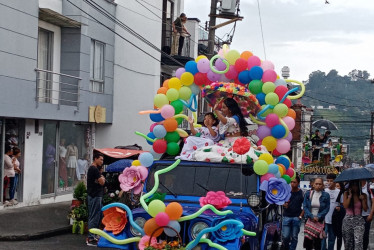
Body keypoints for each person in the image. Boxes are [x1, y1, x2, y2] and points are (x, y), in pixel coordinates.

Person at [303, 177, 330, 250]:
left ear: (323, 185)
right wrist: (311, 216)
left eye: (320, 184)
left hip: (319, 221)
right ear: (313, 185)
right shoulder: (308, 194)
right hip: (309, 220)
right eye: (316, 184)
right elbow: (305, 206)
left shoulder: (326, 195)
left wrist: (318, 216)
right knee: (308, 243)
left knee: (318, 244)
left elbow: (327, 208)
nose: (318, 185)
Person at [86, 152, 105, 247]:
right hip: (95, 195)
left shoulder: (95, 169)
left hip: (96, 195)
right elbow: (102, 182)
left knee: (98, 215)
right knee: (94, 216)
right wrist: (102, 177)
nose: (102, 161)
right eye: (100, 159)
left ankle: (94, 235)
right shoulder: (94, 169)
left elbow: (101, 180)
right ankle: (90, 238)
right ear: (95, 159)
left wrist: (101, 176)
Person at [342, 180, 368, 250]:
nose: (355, 187)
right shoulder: (346, 193)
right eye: (353, 185)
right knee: (348, 242)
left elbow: (365, 209)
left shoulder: (363, 195)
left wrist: (363, 200)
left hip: (358, 220)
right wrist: (349, 197)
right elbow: (345, 206)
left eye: (356, 185)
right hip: (348, 220)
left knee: (358, 242)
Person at [282, 176, 304, 250]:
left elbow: (305, 205)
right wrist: (284, 204)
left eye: (294, 182)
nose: (292, 184)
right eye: (291, 182)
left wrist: (301, 215)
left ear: (298, 183)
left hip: (296, 217)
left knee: (294, 236)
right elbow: (281, 201)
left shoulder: (301, 192)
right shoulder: (287, 192)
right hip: (287, 216)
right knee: (285, 236)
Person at [321, 174, 340, 250]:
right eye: (328, 181)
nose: (329, 182)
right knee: (322, 238)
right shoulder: (324, 191)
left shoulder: (339, 192)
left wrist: (339, 208)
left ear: (335, 182)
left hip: (334, 219)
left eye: (331, 181)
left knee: (332, 239)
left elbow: (342, 204)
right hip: (324, 219)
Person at [360, 180, 374, 250]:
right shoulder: (355, 186)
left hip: (366, 214)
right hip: (357, 215)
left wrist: (371, 214)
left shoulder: (370, 187)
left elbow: (373, 201)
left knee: (365, 235)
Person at [332, 182, 345, 250]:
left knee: (340, 235)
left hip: (341, 216)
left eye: (338, 186)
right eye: (336, 186)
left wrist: (340, 207)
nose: (337, 188)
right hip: (335, 216)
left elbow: (343, 205)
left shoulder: (342, 194)